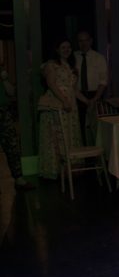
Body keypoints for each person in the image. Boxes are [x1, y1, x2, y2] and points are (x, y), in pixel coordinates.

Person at [37, 38, 83, 180]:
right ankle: (55, 169)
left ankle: (70, 168)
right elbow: (51, 84)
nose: (66, 50)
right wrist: (64, 100)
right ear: (57, 49)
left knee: (70, 133)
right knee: (56, 135)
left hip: (70, 104)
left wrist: (88, 101)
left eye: (69, 47)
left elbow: (74, 90)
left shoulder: (71, 67)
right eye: (63, 47)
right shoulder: (51, 65)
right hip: (58, 103)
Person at [0, 65, 35, 190]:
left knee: (12, 145)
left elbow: (11, 92)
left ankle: (19, 179)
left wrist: (4, 79)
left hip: (3, 112)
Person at [74, 30, 108, 145]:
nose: (83, 43)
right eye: (80, 41)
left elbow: (103, 80)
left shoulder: (98, 58)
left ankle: (98, 155)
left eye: (86, 40)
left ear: (91, 41)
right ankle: (83, 155)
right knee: (79, 126)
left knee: (95, 127)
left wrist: (96, 98)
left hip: (94, 94)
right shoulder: (74, 57)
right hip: (78, 95)